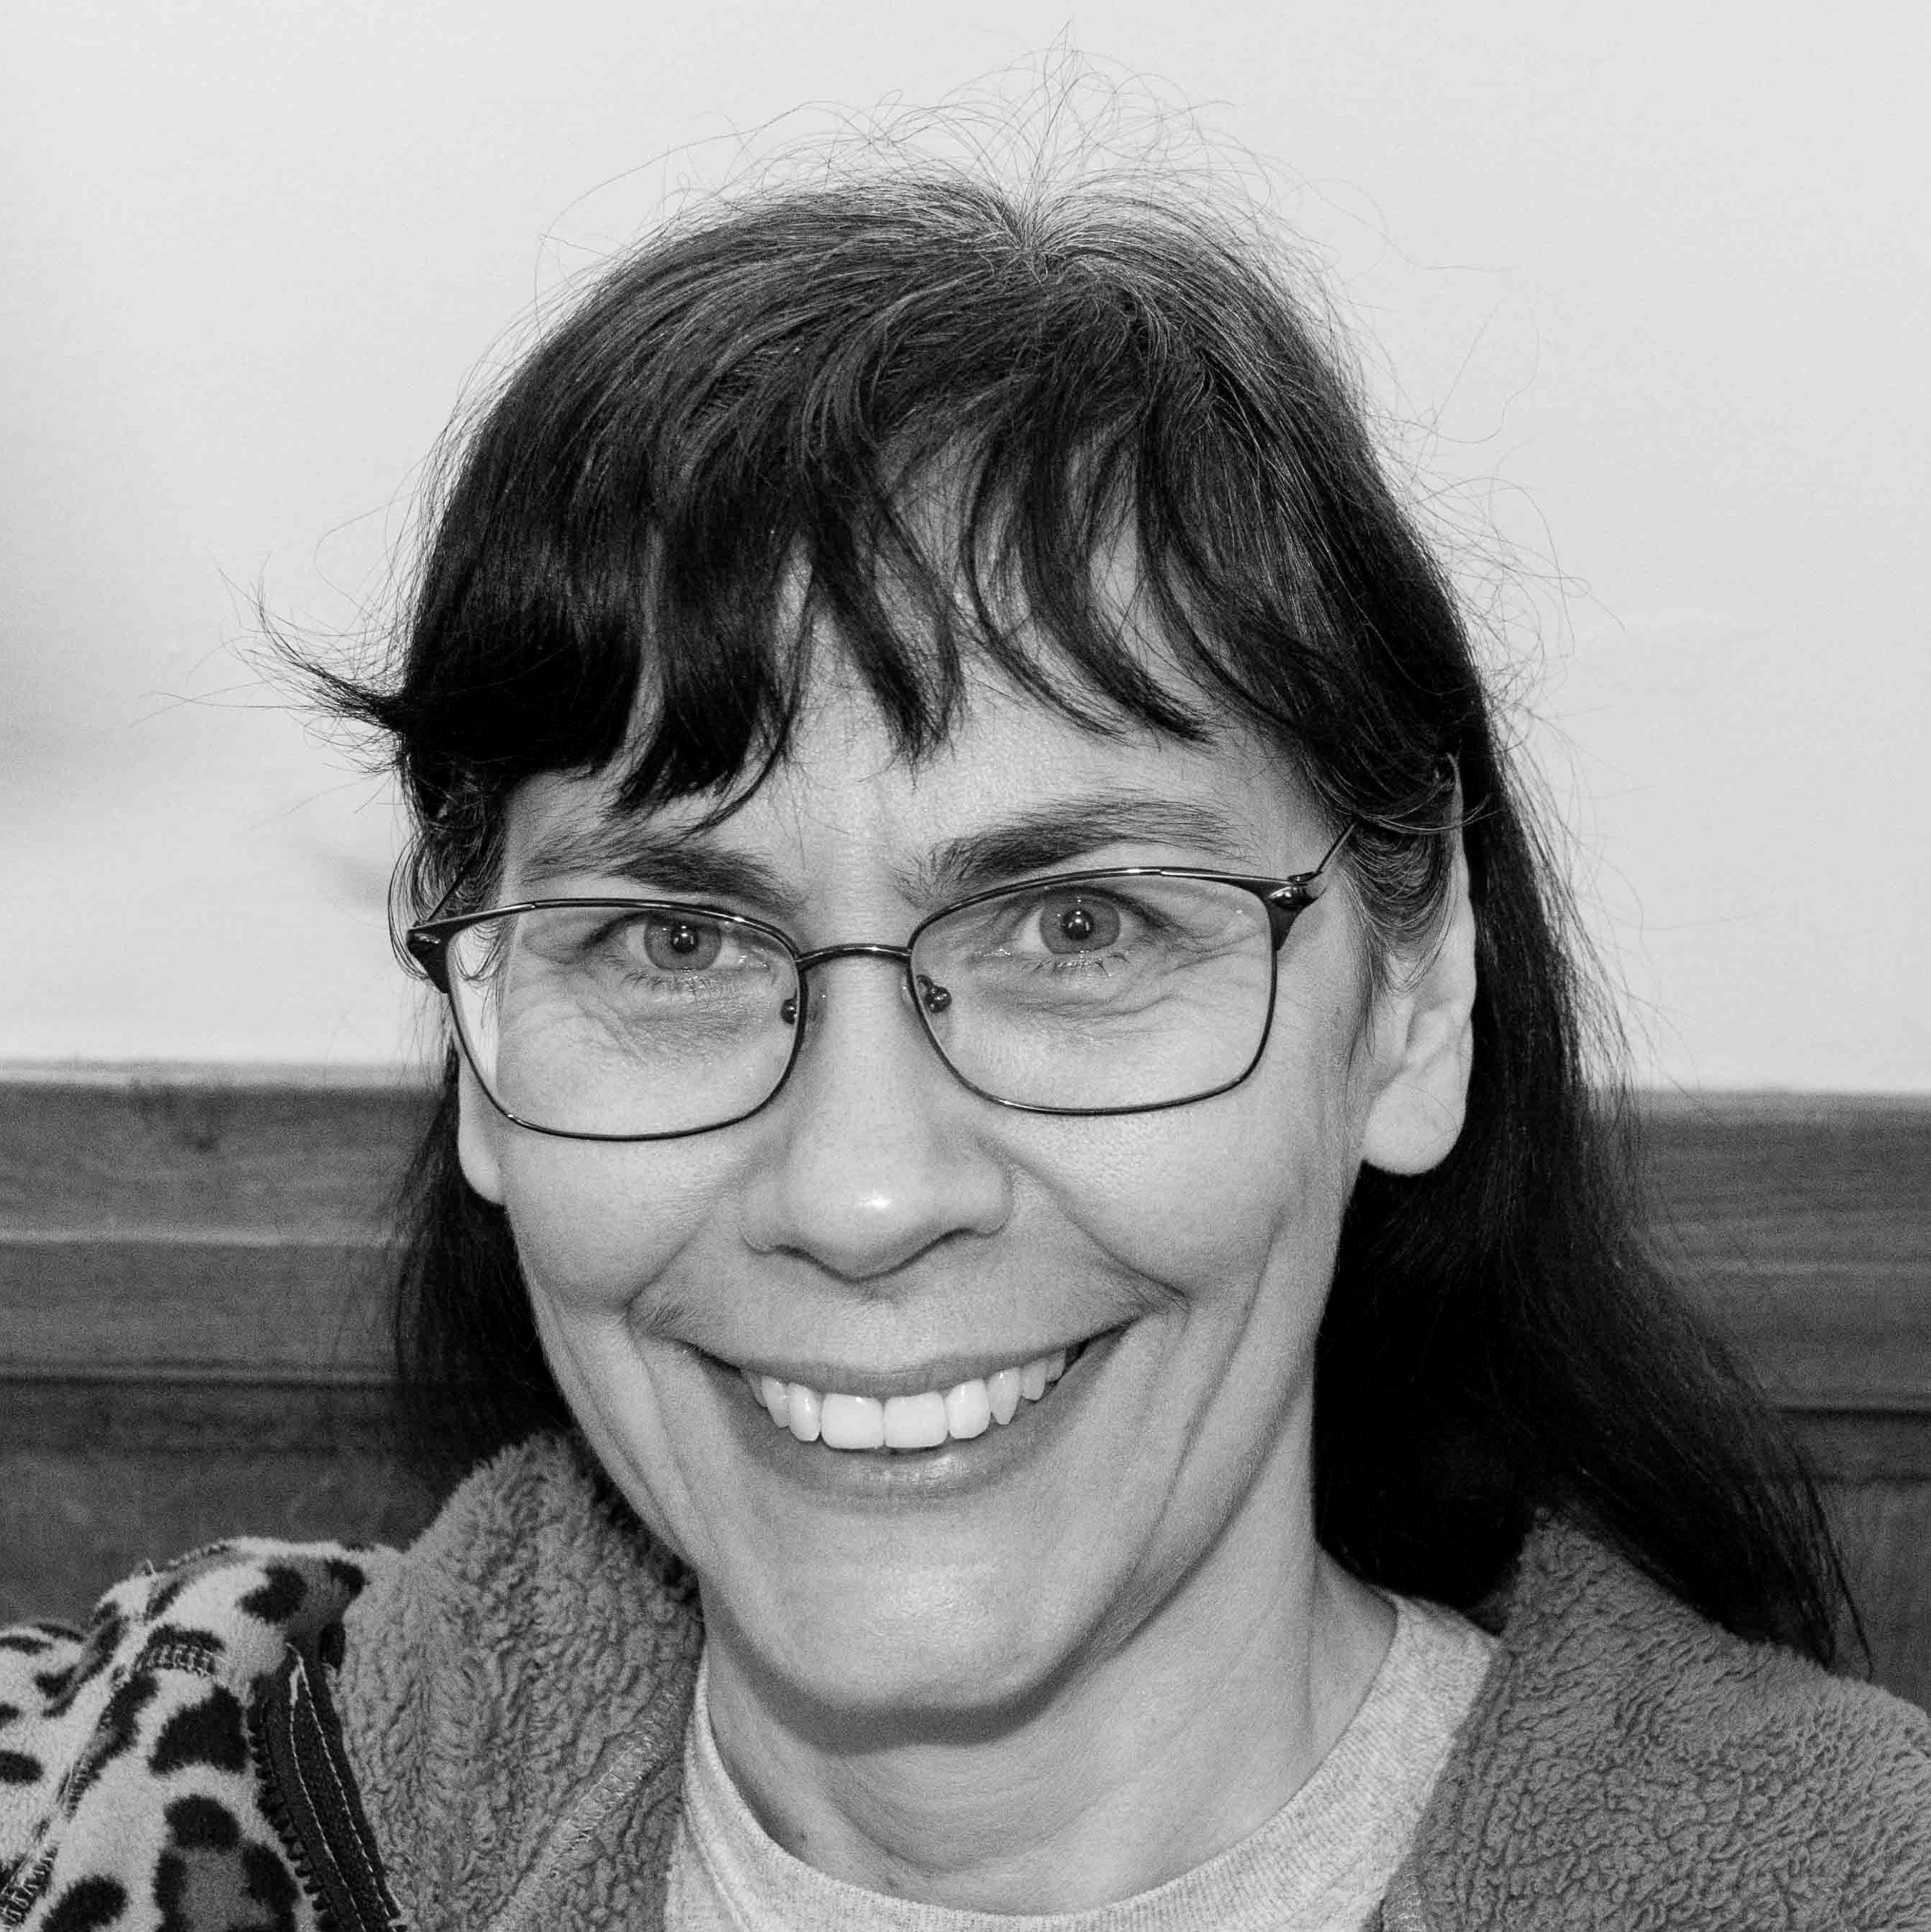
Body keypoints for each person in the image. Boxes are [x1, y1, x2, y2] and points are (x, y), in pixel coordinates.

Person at [3, 154, 1927, 1932]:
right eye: (678, 938)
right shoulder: (135, 1808)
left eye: (1078, 928)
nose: (863, 1189)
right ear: (475, 1017)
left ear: (1412, 1004)